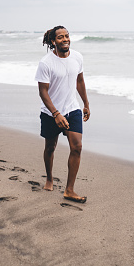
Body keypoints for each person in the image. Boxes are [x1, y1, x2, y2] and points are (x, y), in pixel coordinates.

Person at [34, 25, 90, 203]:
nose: (65, 39)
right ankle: (49, 178)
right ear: (53, 41)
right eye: (60, 37)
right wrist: (56, 113)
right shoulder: (46, 63)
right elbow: (43, 92)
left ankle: (69, 190)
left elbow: (79, 80)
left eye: (67, 36)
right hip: (51, 113)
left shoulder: (77, 57)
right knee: (50, 147)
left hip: (72, 109)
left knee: (77, 147)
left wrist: (86, 103)